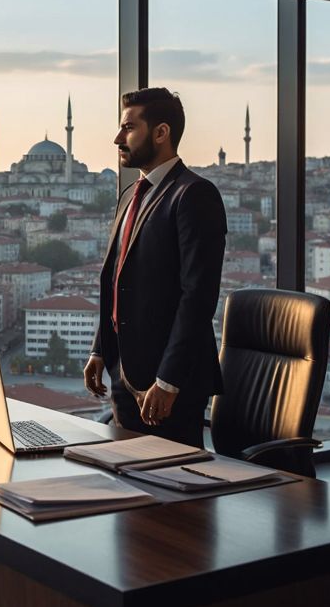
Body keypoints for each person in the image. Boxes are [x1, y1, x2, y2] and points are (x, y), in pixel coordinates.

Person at [83, 87, 227, 447]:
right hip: (125, 375)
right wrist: (100, 350)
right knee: (129, 488)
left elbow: (197, 297)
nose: (118, 137)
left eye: (129, 127)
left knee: (174, 492)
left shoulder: (194, 195)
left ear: (161, 133)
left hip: (168, 384)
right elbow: (117, 280)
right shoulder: (131, 194)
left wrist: (168, 381)